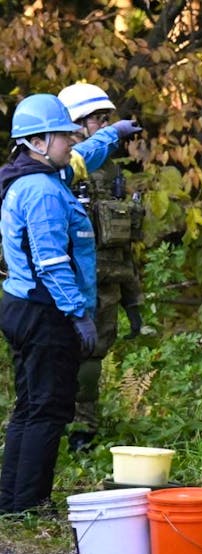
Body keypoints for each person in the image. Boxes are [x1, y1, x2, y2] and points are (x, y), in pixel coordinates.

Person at [0, 93, 136, 513]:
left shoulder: (38, 174)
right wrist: (78, 313)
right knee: (50, 409)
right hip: (45, 312)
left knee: (31, 406)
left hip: (24, 306)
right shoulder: (41, 191)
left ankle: (11, 499)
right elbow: (52, 261)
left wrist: (111, 134)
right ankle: (29, 503)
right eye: (63, 136)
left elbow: (83, 156)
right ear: (38, 141)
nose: (72, 141)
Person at [57, 83, 146, 452]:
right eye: (99, 119)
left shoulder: (109, 172)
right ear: (76, 123)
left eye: (108, 119)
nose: (105, 126)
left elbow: (121, 240)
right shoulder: (66, 168)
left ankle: (82, 430)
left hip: (108, 281)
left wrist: (133, 301)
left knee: (91, 360)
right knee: (66, 360)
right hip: (69, 283)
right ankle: (61, 426)